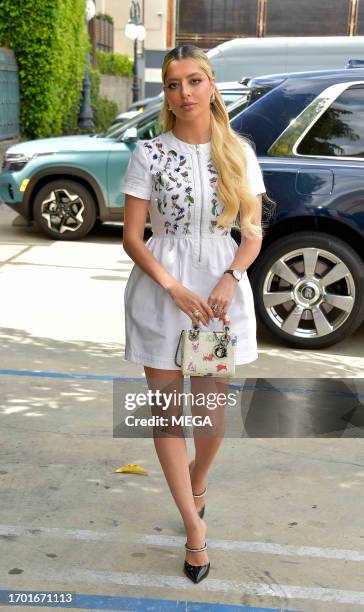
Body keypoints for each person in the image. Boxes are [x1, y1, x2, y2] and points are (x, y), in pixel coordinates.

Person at [121, 44, 266, 583]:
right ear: (166, 93)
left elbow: (251, 236)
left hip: (214, 303)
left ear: (211, 85)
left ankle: (197, 483)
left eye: (194, 81)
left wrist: (230, 278)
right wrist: (172, 286)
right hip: (162, 294)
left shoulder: (239, 152)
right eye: (173, 83)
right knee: (166, 415)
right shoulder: (148, 155)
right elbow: (134, 239)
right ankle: (194, 529)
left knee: (208, 415)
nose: (184, 93)